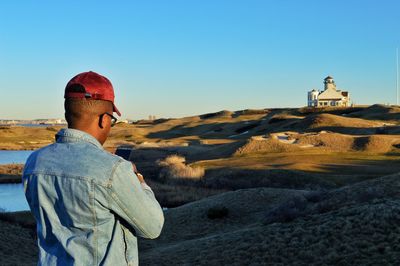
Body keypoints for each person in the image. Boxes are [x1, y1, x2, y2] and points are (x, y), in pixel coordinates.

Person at [22, 71, 164, 266]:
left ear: (67, 114)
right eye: (112, 120)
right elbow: (153, 227)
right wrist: (138, 181)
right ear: (104, 120)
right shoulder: (114, 170)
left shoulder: (34, 162)